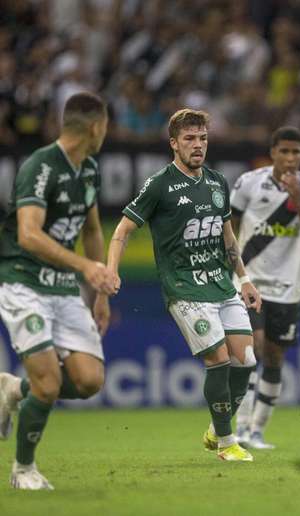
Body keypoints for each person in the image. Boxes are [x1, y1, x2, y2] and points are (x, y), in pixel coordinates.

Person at [106, 109, 261, 461]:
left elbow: (228, 238)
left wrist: (245, 279)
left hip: (221, 285)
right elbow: (122, 230)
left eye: (203, 138)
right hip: (185, 289)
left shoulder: (217, 182)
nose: (198, 145)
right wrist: (112, 270)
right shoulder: (159, 184)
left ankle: (215, 425)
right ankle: (226, 443)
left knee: (246, 360)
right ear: (174, 143)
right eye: (190, 139)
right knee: (219, 360)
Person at [0, 92, 113, 490]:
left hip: (64, 289)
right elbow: (29, 235)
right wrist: (85, 265)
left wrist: (98, 291)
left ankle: (13, 390)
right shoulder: (41, 166)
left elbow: (93, 230)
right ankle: (24, 469)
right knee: (49, 383)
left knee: (88, 381)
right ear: (96, 126)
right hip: (23, 281)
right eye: (106, 126)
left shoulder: (89, 169)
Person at [230, 127, 300, 449]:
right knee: (250, 348)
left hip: (288, 288)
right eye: (284, 151)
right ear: (273, 152)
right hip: (250, 282)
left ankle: (257, 430)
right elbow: (229, 228)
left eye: (296, 152)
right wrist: (233, 268)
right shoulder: (248, 183)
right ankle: (240, 427)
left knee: (273, 357)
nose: (290, 158)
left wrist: (297, 200)